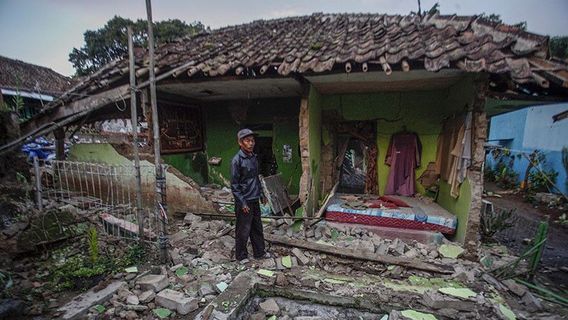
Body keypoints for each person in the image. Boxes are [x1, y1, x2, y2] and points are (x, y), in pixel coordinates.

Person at [230, 128, 270, 264]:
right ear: (240, 143)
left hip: (254, 198)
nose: (251, 143)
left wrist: (262, 194)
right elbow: (234, 185)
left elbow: (256, 178)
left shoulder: (254, 157)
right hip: (245, 201)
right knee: (243, 230)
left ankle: (259, 252)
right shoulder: (237, 160)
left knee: (257, 227)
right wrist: (242, 203)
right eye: (248, 141)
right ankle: (241, 256)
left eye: (252, 140)